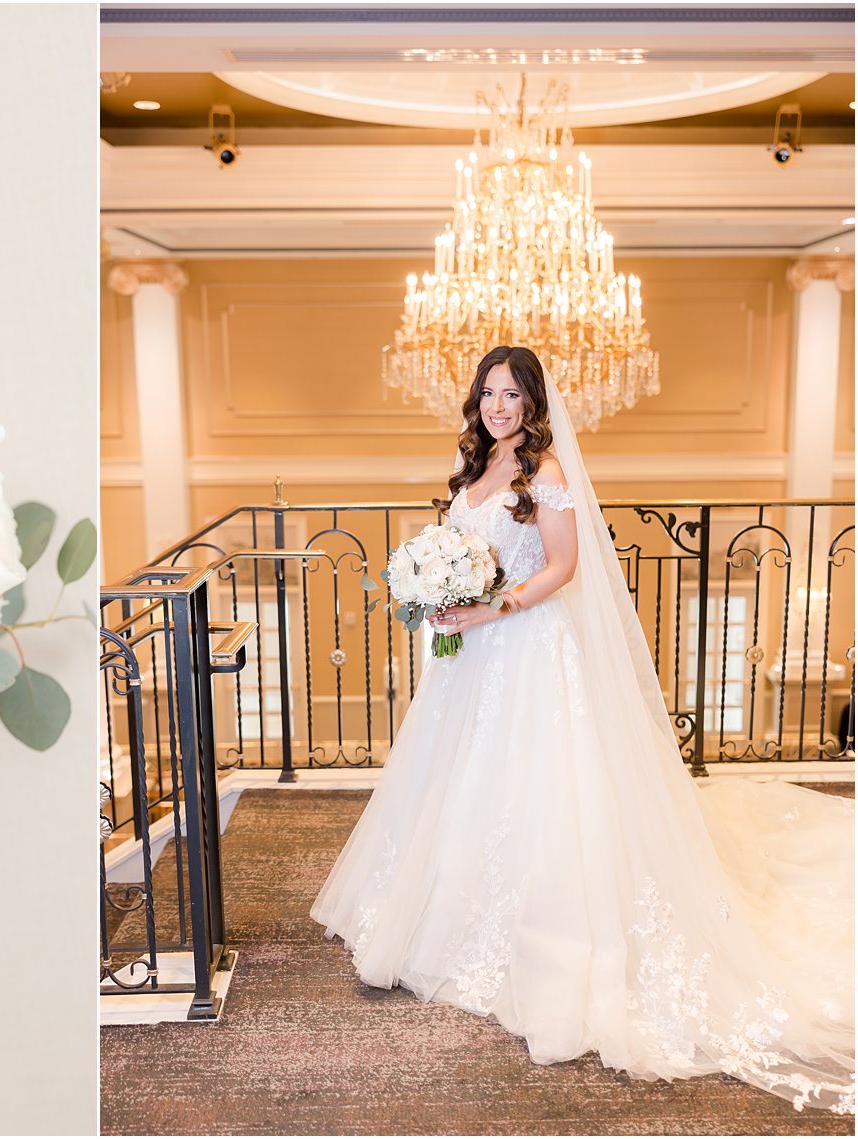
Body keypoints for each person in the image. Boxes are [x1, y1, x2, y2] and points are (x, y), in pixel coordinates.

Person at [311, 345, 854, 1113]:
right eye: (489, 393)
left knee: (541, 787)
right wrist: (439, 589)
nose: (499, 406)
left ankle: (539, 927)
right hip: (469, 655)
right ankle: (441, 905)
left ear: (533, 401)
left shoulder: (549, 473)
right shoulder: (475, 467)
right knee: (457, 782)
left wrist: (486, 607)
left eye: (512, 394)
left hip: (527, 648)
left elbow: (560, 567)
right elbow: (466, 547)